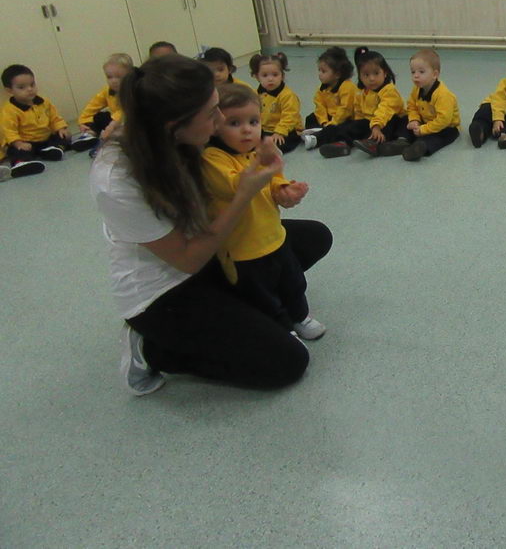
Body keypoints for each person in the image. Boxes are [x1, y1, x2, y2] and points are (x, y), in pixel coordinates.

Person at [89, 55, 331, 395]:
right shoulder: (117, 178)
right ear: (175, 125)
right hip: (167, 287)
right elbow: (187, 258)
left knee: (311, 237)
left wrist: (277, 186)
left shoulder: (190, 137)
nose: (221, 121)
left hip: (215, 250)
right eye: (211, 114)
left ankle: (239, 312)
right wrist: (244, 195)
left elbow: (239, 176)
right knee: (287, 363)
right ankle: (152, 350)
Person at [202, 84, 325, 338]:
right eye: (234, 123)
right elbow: (237, 186)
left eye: (254, 121)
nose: (247, 129)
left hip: (275, 236)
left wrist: (284, 190)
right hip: (242, 250)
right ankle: (282, 329)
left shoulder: (254, 151)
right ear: (215, 125)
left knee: (292, 282)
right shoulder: (214, 158)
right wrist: (263, 162)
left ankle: (299, 315)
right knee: (261, 294)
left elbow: (273, 179)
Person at [389, 49, 460, 161]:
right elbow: (411, 106)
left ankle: (421, 148)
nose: (416, 76)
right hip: (424, 120)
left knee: (437, 137)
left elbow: (443, 120)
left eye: (421, 72)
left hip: (446, 127)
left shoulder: (443, 95)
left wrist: (424, 130)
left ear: (434, 74)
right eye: (413, 72)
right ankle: (402, 141)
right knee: (404, 119)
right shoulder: (417, 89)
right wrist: (414, 120)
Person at [1, 63, 70, 177]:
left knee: (64, 136)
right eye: (22, 87)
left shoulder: (43, 102)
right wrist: (18, 143)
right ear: (9, 90)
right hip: (24, 143)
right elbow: (8, 130)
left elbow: (54, 117)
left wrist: (60, 128)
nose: (29, 89)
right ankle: (20, 164)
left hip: (45, 139)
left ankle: (51, 150)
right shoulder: (9, 110)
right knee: (15, 151)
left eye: (32, 84)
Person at [335, 48, 407, 157]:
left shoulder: (389, 91)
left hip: (388, 121)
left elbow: (385, 110)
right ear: (360, 76)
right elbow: (359, 112)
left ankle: (377, 143)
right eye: (366, 75)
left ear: (385, 73)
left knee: (393, 123)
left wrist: (376, 126)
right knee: (350, 126)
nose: (372, 79)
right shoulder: (362, 93)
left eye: (376, 73)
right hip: (372, 123)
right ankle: (342, 143)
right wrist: (357, 127)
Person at [72, 53, 134, 152]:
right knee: (99, 117)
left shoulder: (132, 89)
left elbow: (124, 111)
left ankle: (114, 141)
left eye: (118, 77)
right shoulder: (107, 91)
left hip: (129, 121)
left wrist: (112, 125)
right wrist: (82, 121)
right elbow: (92, 106)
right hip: (113, 122)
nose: (113, 81)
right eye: (109, 77)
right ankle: (89, 134)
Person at [250, 52, 302, 153]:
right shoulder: (257, 93)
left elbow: (290, 116)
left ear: (282, 76)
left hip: (288, 130)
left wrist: (279, 132)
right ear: (257, 77)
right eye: (264, 75)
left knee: (281, 143)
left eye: (275, 75)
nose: (270, 79)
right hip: (265, 129)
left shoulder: (287, 95)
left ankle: (273, 152)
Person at [303, 46, 356, 137]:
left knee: (347, 128)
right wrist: (324, 122)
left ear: (337, 74)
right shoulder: (322, 88)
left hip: (344, 118)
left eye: (323, 71)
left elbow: (345, 109)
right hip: (329, 117)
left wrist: (333, 123)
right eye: (319, 70)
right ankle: (321, 133)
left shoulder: (347, 87)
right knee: (310, 119)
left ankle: (322, 136)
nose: (319, 74)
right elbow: (319, 106)